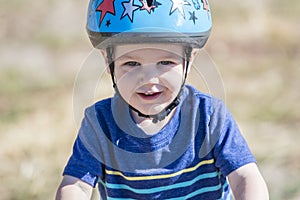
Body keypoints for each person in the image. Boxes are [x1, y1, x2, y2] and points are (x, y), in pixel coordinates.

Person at [56, 0, 269, 199]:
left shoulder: (209, 116)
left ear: (189, 58)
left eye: (165, 62)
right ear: (108, 60)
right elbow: (77, 185)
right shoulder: (100, 123)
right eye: (131, 64)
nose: (149, 79)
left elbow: (245, 177)